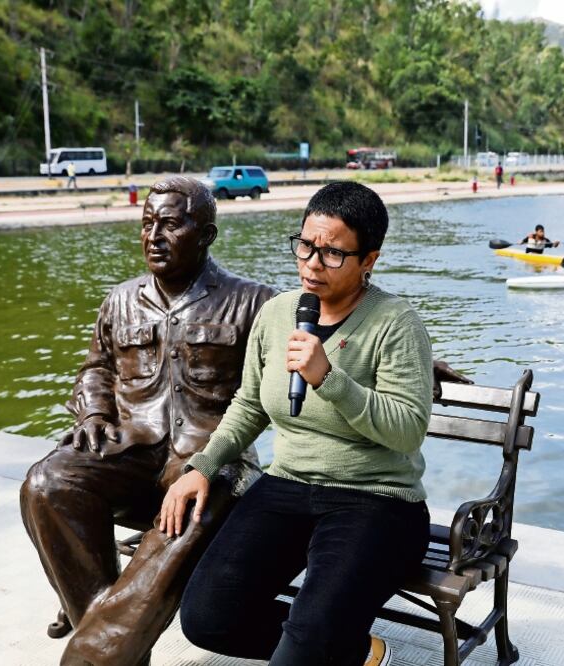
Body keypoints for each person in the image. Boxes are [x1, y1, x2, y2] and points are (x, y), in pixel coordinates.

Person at [169, 182, 434, 666]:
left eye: (333, 253)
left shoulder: (396, 323)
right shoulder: (276, 314)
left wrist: (329, 378)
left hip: (377, 501)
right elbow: (249, 403)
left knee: (306, 642)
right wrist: (202, 466)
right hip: (287, 485)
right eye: (306, 246)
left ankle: (315, 644)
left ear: (368, 260)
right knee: (206, 616)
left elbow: (408, 429)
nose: (312, 262)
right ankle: (354, 651)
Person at [20, 175, 276, 665]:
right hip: (130, 452)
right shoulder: (120, 299)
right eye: (147, 223)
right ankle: (100, 622)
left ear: (206, 235)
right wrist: (94, 410)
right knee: (46, 482)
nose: (154, 237)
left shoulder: (253, 301)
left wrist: (412, 357)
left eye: (171, 225)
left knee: (185, 513)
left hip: (210, 463)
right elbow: (96, 368)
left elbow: (325, 335)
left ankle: (90, 642)